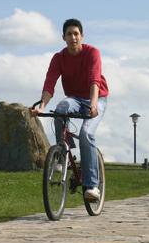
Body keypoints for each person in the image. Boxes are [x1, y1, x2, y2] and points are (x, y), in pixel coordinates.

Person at [31, 18, 108, 202]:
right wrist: (42, 106)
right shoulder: (59, 58)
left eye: (76, 34)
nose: (73, 37)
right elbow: (50, 83)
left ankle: (92, 186)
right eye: (69, 34)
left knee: (86, 134)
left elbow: (94, 80)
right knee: (60, 109)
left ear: (82, 36)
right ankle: (63, 153)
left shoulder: (92, 53)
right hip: (74, 98)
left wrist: (94, 104)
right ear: (63, 37)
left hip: (96, 97)